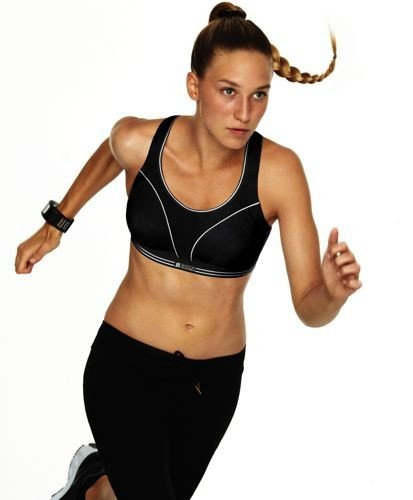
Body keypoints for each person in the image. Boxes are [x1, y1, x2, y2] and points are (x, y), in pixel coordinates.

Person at [15, 2, 362, 499]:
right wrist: (56, 223)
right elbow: (111, 151)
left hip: (211, 385)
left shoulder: (279, 172)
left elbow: (311, 309)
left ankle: (91, 485)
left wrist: (332, 293)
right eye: (228, 92)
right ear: (194, 86)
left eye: (259, 95)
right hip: (124, 365)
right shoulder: (141, 140)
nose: (244, 113)